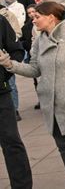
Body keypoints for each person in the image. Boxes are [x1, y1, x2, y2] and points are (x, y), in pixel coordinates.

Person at [1, 2, 65, 189]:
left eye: (37, 16)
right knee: (63, 145)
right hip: (51, 103)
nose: (34, 20)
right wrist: (9, 64)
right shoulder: (39, 41)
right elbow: (34, 69)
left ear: (51, 17)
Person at [0, 13, 32, 189]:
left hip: (1, 95)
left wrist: (4, 74)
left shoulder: (0, 21)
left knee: (11, 142)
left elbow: (17, 50)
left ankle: (22, 186)